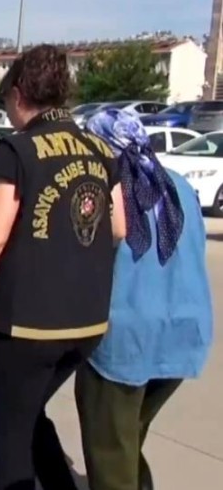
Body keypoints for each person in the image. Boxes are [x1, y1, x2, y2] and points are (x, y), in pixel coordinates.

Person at [0, 44, 124, 490]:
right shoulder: (99, 149)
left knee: (11, 440)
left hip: (24, 327)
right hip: (87, 323)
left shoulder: (17, 150)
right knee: (28, 414)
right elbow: (119, 227)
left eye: (5, 101)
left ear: (18, 95)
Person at [75, 109, 213, 490]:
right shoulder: (177, 185)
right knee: (129, 436)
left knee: (110, 451)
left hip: (125, 341)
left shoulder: (106, 190)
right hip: (184, 333)